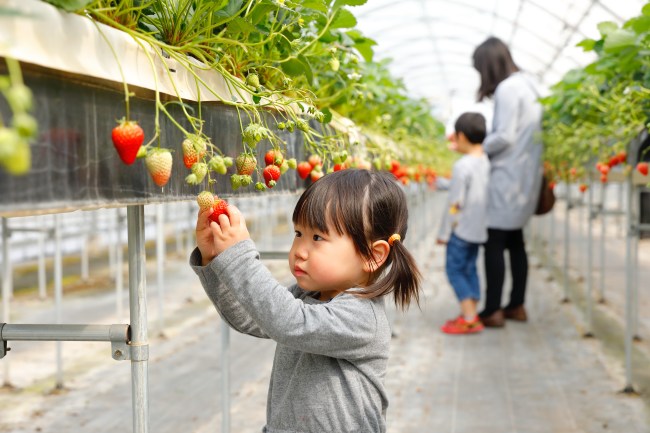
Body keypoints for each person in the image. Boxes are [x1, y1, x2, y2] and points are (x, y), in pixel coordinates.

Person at [190, 168, 422, 433]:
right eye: (298, 234)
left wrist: (240, 257)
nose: (300, 251)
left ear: (373, 255)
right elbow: (249, 317)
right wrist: (214, 259)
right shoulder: (308, 296)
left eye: (317, 238)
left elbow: (288, 322)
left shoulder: (362, 317)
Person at [472, 36, 543, 327]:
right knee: (515, 241)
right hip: (527, 174)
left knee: (494, 242)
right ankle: (516, 305)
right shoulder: (530, 84)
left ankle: (492, 310)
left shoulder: (507, 88)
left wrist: (477, 148)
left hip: (507, 176)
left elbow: (504, 136)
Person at [437, 112, 490, 334]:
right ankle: (472, 313)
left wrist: (444, 232)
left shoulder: (462, 166)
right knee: (470, 269)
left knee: (455, 270)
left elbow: (455, 203)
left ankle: (469, 318)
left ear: (460, 135)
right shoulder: (487, 162)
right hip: (480, 229)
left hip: (461, 229)